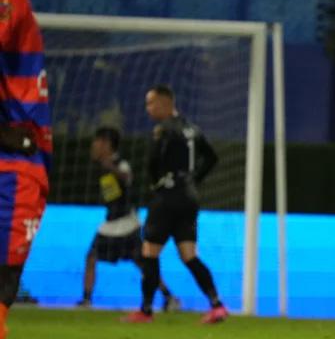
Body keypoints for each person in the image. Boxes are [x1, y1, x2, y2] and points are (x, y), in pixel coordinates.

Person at [0, 0, 52, 339]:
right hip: (11, 170)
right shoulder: (4, 0)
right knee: (2, 284)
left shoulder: (16, 1)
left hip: (22, 167)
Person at [122, 85, 227, 324]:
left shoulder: (163, 129)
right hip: (189, 197)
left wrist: (155, 184)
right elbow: (211, 158)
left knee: (149, 252)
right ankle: (217, 305)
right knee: (189, 254)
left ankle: (145, 311)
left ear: (165, 103)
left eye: (151, 103)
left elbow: (153, 161)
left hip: (167, 197)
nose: (148, 109)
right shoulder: (192, 128)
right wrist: (193, 180)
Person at [78, 126, 180, 312]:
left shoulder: (120, 164)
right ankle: (86, 300)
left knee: (143, 264)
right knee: (91, 257)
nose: (94, 145)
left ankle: (169, 297)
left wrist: (111, 167)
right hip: (110, 224)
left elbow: (126, 177)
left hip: (126, 224)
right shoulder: (100, 167)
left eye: (97, 142)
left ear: (107, 144)